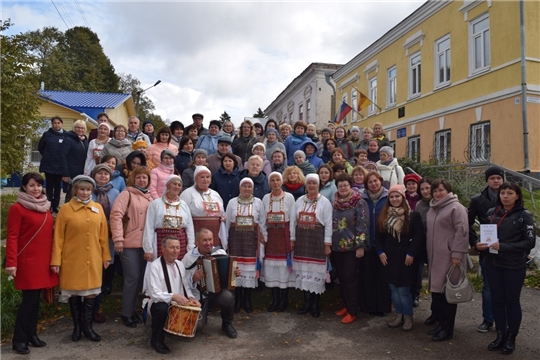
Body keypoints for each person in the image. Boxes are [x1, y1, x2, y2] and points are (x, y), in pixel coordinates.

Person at [50, 175, 111, 342]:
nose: (85, 193)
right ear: (75, 190)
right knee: (75, 294)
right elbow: (58, 237)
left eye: (88, 190)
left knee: (91, 294)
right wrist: (55, 260)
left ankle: (88, 327)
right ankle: (77, 327)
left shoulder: (98, 208)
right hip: (72, 259)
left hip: (93, 258)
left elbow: (103, 236)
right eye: (82, 189)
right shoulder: (66, 209)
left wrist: (106, 256)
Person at [5, 173, 58, 355]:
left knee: (36, 302)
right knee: (28, 302)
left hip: (43, 261)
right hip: (27, 262)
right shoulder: (17, 209)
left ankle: (31, 334)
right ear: (24, 187)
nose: (36, 189)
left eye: (38, 185)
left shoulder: (45, 207)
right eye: (31, 185)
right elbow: (12, 237)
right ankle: (18, 339)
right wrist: (11, 262)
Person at [483, 182, 536, 355]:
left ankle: (512, 336)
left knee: (511, 301)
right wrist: (480, 244)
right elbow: (486, 234)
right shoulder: (492, 213)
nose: (505, 196)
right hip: (493, 264)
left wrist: (504, 246)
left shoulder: (523, 215)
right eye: (502, 193)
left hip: (514, 265)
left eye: (509, 193)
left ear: (517, 196)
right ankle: (500, 333)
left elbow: (530, 242)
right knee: (497, 300)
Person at [376, 184, 425, 332]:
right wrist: (380, 252)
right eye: (391, 196)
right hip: (389, 257)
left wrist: (411, 253)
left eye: (397, 196)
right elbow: (378, 236)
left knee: (403, 290)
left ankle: (408, 316)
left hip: (406, 257)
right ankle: (399, 315)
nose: (394, 199)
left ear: (402, 197)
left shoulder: (412, 215)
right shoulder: (384, 215)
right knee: (393, 289)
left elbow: (419, 236)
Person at [426, 179, 469, 342]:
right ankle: (441, 325)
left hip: (450, 258)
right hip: (435, 258)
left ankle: (447, 330)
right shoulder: (433, 208)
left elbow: (462, 231)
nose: (437, 193)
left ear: (448, 191)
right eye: (435, 191)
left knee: (448, 295)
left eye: (441, 190)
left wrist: (457, 253)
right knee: (438, 294)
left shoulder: (456, 208)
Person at [110, 166, 153, 328]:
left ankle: (134, 310)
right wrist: (118, 239)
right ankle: (126, 313)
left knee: (140, 279)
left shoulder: (151, 198)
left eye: (145, 177)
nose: (142, 180)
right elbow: (116, 216)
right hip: (129, 243)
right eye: (139, 177)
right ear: (133, 179)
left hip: (145, 244)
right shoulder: (126, 194)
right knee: (132, 278)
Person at [181, 229, 241, 338]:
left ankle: (227, 324)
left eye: (210, 239)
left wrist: (235, 272)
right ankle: (202, 318)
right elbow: (182, 282)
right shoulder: (188, 257)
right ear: (196, 242)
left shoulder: (220, 253)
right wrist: (193, 279)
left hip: (216, 294)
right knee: (196, 327)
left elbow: (230, 272)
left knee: (227, 296)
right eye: (204, 240)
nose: (208, 243)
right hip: (197, 297)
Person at [146, 236, 200, 354]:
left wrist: (191, 298)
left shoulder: (180, 265)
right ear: (163, 248)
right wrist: (173, 296)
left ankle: (171, 329)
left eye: (177, 247)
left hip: (176, 303)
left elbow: (185, 286)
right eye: (172, 247)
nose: (175, 250)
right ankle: (156, 340)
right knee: (162, 307)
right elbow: (155, 294)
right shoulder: (155, 266)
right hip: (158, 304)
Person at [468, 166, 504, 334]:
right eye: (492, 178)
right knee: (488, 288)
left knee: (506, 289)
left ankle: (504, 321)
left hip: (507, 250)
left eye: (499, 178)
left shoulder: (511, 196)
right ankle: (488, 319)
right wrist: (475, 242)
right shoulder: (477, 200)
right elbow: (467, 224)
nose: (496, 181)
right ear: (487, 180)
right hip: (487, 250)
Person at [332, 173, 370, 324]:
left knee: (350, 278)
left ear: (351, 186)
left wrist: (360, 246)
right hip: (337, 247)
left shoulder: (359, 202)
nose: (342, 188)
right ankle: (346, 305)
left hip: (352, 247)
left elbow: (363, 225)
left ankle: (353, 310)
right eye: (340, 186)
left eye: (345, 185)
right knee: (341, 278)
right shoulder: (335, 203)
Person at [294, 174, 333, 317]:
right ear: (305, 185)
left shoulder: (325, 202)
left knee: (316, 272)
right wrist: (293, 240)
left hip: (317, 239)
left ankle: (315, 305)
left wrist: (327, 244)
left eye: (314, 183)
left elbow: (328, 224)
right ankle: (307, 303)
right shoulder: (299, 201)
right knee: (304, 273)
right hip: (302, 240)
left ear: (318, 185)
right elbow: (294, 221)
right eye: (309, 183)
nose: (311, 185)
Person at [226, 178, 266, 313]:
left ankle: (247, 300)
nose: (247, 189)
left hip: (251, 239)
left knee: (249, 270)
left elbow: (262, 221)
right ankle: (237, 300)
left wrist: (263, 236)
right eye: (244, 186)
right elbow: (226, 224)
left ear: (253, 188)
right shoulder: (232, 202)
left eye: (249, 186)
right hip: (236, 238)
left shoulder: (258, 202)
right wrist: (226, 240)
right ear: (239, 188)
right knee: (236, 269)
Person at [262, 172, 297, 312]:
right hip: (271, 235)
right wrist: (264, 236)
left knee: (284, 268)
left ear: (281, 182)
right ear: (269, 183)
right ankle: (275, 300)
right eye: (272, 180)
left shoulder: (289, 197)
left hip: (284, 234)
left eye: (277, 180)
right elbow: (261, 218)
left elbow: (293, 219)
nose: (275, 183)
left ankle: (284, 300)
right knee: (272, 269)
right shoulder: (265, 198)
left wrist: (292, 238)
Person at [90, 164, 120, 324]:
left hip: (108, 235)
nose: (103, 176)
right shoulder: (87, 191)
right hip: (90, 235)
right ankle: (88, 309)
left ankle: (96, 307)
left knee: (107, 265)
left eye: (106, 174)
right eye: (100, 173)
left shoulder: (115, 192)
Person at [360, 171, 391, 317]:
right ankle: (369, 306)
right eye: (370, 182)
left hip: (384, 244)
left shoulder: (388, 197)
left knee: (383, 276)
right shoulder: (362, 198)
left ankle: (383, 307)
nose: (373, 184)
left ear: (380, 181)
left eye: (375, 181)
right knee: (368, 276)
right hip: (367, 243)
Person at [143, 175, 195, 263]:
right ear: (168, 185)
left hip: (180, 242)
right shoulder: (156, 204)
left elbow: (189, 228)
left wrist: (190, 247)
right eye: (174, 184)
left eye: (179, 185)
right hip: (161, 240)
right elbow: (149, 227)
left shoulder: (184, 205)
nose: (177, 187)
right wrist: (148, 249)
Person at [180, 166, 225, 247]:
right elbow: (182, 215)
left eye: (208, 177)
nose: (205, 179)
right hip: (197, 230)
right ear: (196, 179)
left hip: (215, 232)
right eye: (202, 177)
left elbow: (222, 212)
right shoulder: (188, 193)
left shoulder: (215, 194)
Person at [38, 116, 66, 213]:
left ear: (61, 124)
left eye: (58, 123)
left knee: (58, 186)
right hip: (48, 164)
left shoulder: (66, 135)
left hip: (60, 165)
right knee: (49, 185)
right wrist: (48, 155)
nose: (56, 125)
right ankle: (48, 204)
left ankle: (55, 206)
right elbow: (41, 148)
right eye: (55, 123)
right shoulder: (47, 134)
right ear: (52, 124)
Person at [61, 120, 89, 202]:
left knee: (79, 193)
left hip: (82, 171)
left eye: (82, 128)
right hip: (71, 172)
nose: (80, 129)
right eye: (78, 127)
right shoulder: (68, 140)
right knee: (71, 192)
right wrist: (65, 174)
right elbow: (63, 156)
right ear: (74, 128)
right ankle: (66, 211)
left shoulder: (85, 141)